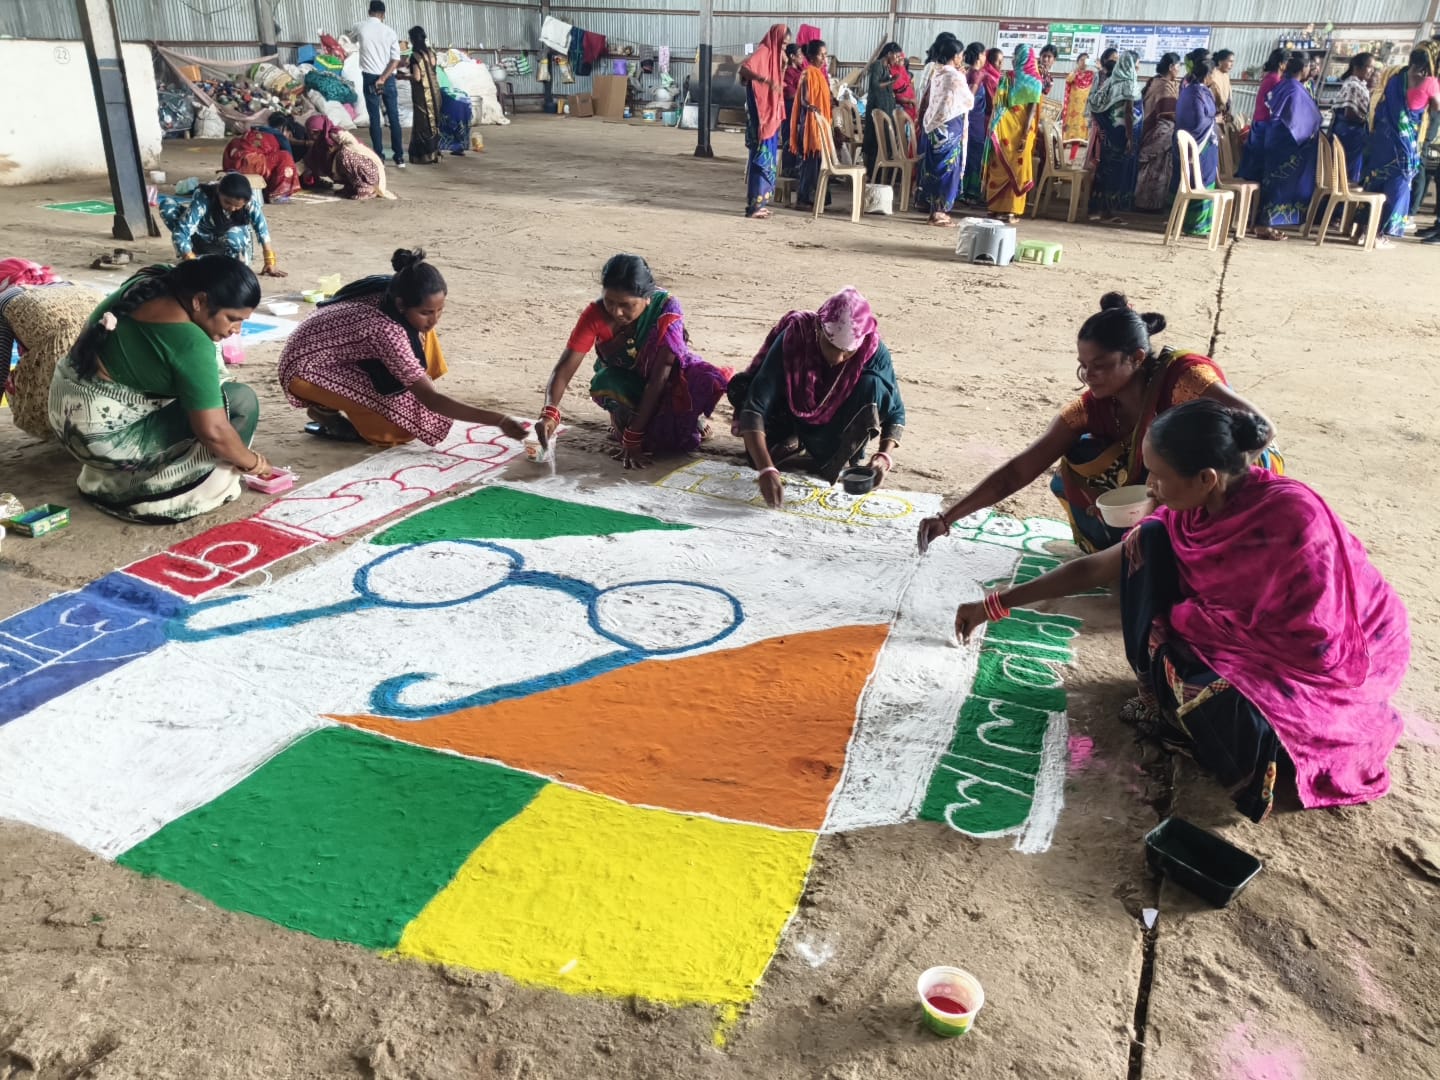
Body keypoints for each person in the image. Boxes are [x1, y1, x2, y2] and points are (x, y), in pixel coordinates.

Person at [954, 400, 1410, 825]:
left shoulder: (1295, 520)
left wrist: (1206, 632)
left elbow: (1319, 641)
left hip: (1316, 666)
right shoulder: (1186, 514)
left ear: (1206, 478)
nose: (1150, 487)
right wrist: (996, 603)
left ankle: (1257, 756)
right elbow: (1095, 567)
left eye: (1158, 476)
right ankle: (1174, 708)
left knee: (1215, 697)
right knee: (1146, 547)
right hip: (1233, 639)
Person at [917, 293, 1280, 555]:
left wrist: (1192, 502)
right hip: (1173, 485)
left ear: (1136, 358)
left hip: (1227, 470)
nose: (1089, 376)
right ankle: (1134, 543)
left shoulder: (1184, 379)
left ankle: (1208, 539)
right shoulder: (1093, 408)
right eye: (1083, 366)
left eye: (1100, 366)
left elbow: (1261, 429)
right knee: (1079, 462)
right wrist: (948, 518)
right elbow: (1020, 470)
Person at [47, 258, 269, 523]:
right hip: (104, 442)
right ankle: (152, 495)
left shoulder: (152, 281)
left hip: (65, 415)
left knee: (201, 383)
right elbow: (214, 432)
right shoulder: (190, 343)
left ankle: (103, 479)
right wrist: (254, 463)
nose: (236, 330)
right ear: (199, 301)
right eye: (232, 319)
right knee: (239, 401)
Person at [280, 249, 524, 447]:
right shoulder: (386, 330)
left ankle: (408, 382)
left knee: (424, 335)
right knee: (401, 427)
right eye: (426, 312)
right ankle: (325, 409)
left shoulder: (395, 289)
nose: (435, 318)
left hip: (335, 351)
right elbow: (432, 401)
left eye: (440, 310)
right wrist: (498, 420)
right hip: (305, 367)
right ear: (400, 304)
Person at [538, 254, 730, 466]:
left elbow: (659, 378)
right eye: (609, 302)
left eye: (626, 305)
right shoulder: (595, 314)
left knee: (699, 380)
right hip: (625, 381)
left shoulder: (666, 308)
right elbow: (564, 368)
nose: (617, 312)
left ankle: (687, 419)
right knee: (608, 382)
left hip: (664, 381)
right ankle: (625, 418)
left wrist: (634, 435)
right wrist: (549, 412)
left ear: (647, 298)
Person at [727, 286, 904, 506]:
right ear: (818, 328)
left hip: (834, 423)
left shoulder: (872, 350)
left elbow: (896, 411)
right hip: (790, 411)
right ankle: (793, 437)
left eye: (848, 352)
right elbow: (756, 405)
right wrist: (765, 468)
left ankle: (831, 455)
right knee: (754, 444)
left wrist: (884, 456)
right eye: (831, 345)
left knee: (874, 385)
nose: (838, 358)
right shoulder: (796, 337)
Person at [0, 262, 102, 441]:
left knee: (18, 374)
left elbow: (1, 366)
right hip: (119, 397)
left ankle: (54, 423)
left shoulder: (7, 298)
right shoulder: (85, 288)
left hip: (70, 407)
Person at [1237, 53, 1322, 240]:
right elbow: (1294, 118)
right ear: (1303, 68)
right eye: (1309, 67)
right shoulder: (1292, 88)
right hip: (1285, 143)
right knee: (1277, 184)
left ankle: (1265, 223)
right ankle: (1264, 224)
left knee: (1274, 183)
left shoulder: (1286, 85)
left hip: (1277, 140)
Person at [1363, 46, 1440, 245]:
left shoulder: (1394, 77)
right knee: (1399, 187)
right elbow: (1437, 106)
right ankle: (1380, 235)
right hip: (1406, 144)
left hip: (1383, 140)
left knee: (1375, 182)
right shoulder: (1430, 83)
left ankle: (1364, 231)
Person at [158, 173, 286, 276]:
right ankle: (194, 254)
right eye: (227, 202)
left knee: (235, 238)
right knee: (167, 206)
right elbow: (182, 230)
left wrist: (269, 261)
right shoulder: (204, 196)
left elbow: (262, 229)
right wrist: (190, 260)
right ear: (219, 191)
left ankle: (228, 261)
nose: (232, 208)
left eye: (237, 206)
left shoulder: (249, 202)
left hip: (229, 242)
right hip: (201, 236)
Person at [982, 43, 1044, 222]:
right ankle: (1003, 209)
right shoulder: (1026, 80)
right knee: (1009, 166)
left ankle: (1003, 209)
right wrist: (1024, 134)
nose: (1014, 59)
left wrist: (1022, 134)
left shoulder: (1016, 79)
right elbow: (1028, 111)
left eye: (1017, 55)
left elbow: (1024, 109)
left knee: (1009, 166)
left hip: (1011, 131)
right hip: (1013, 131)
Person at [917, 38, 973, 227]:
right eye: (961, 55)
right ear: (956, 56)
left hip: (934, 127)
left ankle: (934, 210)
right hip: (950, 128)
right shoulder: (955, 76)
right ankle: (939, 213)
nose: (962, 59)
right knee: (948, 170)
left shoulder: (938, 73)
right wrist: (963, 77)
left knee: (934, 169)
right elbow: (968, 100)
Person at [739, 25, 789, 219]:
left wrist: (783, 66)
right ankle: (754, 206)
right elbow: (744, 69)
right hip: (762, 116)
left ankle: (760, 203)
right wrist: (764, 80)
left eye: (786, 46)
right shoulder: (764, 52)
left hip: (770, 116)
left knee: (767, 158)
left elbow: (778, 86)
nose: (784, 48)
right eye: (783, 44)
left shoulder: (774, 57)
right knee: (761, 157)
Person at [1087, 50, 1142, 222]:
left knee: (1105, 170)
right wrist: (1130, 138)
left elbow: (1095, 104)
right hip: (1120, 135)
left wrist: (1104, 127)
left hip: (1110, 134)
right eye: (1137, 64)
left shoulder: (1111, 82)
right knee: (1115, 172)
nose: (1138, 67)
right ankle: (1107, 211)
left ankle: (1095, 209)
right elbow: (1128, 113)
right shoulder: (1128, 84)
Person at [1173, 59, 1220, 237]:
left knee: (1202, 179)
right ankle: (1196, 224)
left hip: (1203, 143)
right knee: (1199, 180)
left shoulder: (1192, 90)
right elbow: (1199, 121)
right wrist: (1214, 120)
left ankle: (1200, 223)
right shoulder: (1197, 93)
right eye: (1213, 74)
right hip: (1200, 144)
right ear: (1207, 75)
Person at [355, 0, 405, 168]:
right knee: (393, 116)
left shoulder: (360, 27)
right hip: (388, 78)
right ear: (383, 15)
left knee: (375, 118)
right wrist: (383, 78)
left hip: (370, 77)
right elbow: (395, 60)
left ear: (369, 12)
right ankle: (399, 157)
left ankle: (379, 157)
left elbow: (348, 39)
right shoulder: (390, 32)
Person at [302, 116, 395, 200]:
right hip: (356, 167)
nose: (312, 136)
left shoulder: (336, 134)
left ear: (322, 129)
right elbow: (308, 161)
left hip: (370, 169)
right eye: (310, 133)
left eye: (315, 132)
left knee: (344, 155)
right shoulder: (319, 145)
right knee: (330, 160)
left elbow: (354, 145)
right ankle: (351, 186)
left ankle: (368, 188)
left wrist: (336, 148)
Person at [1135, 53, 1182, 211]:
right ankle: (1147, 204)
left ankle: (1149, 203)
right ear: (1171, 67)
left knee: (1155, 169)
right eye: (1178, 66)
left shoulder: (1156, 81)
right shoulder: (1164, 86)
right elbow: (1168, 112)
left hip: (1156, 130)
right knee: (1155, 168)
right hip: (1160, 132)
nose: (1179, 69)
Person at [791, 39, 833, 210]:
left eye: (825, 55)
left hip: (819, 125)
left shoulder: (820, 74)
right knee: (810, 162)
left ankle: (818, 198)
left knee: (819, 161)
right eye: (821, 55)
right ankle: (804, 198)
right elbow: (804, 98)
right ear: (813, 56)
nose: (824, 58)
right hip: (810, 124)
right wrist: (810, 106)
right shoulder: (808, 73)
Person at [1332, 53, 1376, 186]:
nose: (1371, 71)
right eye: (1369, 67)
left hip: (1347, 130)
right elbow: (1350, 113)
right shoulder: (1353, 85)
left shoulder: (1359, 84)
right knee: (1348, 171)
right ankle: (1346, 194)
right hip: (1350, 133)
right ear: (1358, 67)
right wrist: (1366, 121)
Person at [221, 128, 299, 201]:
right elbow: (287, 155)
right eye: (289, 135)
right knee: (285, 157)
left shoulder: (248, 133)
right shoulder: (276, 137)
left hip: (231, 165)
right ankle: (278, 194)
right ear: (285, 129)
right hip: (250, 164)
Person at [861, 44, 902, 183]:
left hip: (885, 107)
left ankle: (880, 174)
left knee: (883, 140)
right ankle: (872, 173)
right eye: (896, 56)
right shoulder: (878, 65)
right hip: (877, 107)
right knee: (875, 140)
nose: (897, 59)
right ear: (889, 53)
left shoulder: (886, 67)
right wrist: (892, 81)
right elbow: (875, 85)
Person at [407, 26, 443, 164]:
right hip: (435, 92)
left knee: (423, 123)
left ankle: (424, 155)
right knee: (434, 121)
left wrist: (403, 76)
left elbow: (417, 77)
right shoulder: (431, 53)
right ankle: (435, 153)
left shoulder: (415, 56)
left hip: (423, 95)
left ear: (412, 40)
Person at [961, 42, 990, 203]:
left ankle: (964, 190)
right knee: (974, 155)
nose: (985, 57)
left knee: (969, 155)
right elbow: (969, 98)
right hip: (974, 122)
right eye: (984, 54)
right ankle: (969, 193)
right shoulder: (977, 74)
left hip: (972, 120)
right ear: (979, 56)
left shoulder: (968, 72)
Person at [781, 43, 807, 179]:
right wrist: (803, 94)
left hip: (799, 108)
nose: (802, 57)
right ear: (792, 56)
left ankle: (797, 167)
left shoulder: (801, 70)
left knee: (798, 138)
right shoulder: (788, 72)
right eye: (799, 54)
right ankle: (788, 168)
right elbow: (790, 93)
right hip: (790, 108)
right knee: (789, 137)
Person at [1062, 53, 1095, 156]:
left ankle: (1072, 158)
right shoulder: (1074, 74)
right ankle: (1060, 157)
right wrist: (1076, 71)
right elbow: (1068, 80)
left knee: (1078, 135)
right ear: (1077, 61)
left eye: (1086, 60)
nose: (1084, 62)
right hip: (1072, 109)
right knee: (1067, 133)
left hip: (1084, 110)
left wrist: (1097, 66)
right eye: (1081, 60)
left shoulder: (1091, 75)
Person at [1253, 48, 1286, 123]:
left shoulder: (1271, 76)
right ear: (1281, 64)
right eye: (1287, 62)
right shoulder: (1275, 80)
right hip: (1265, 121)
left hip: (1260, 119)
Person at [1207, 49, 1235, 119]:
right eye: (1230, 61)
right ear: (1220, 62)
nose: (1232, 65)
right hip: (1212, 113)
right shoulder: (1213, 74)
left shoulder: (1226, 75)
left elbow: (1228, 95)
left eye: (1233, 62)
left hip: (1223, 112)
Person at [891, 49, 917, 125]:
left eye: (902, 59)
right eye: (898, 58)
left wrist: (913, 99)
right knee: (905, 122)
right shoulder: (891, 71)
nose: (900, 61)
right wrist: (909, 101)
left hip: (909, 96)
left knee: (913, 117)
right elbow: (895, 95)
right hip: (902, 100)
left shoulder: (903, 70)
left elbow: (909, 85)